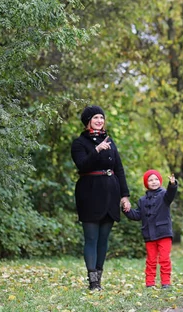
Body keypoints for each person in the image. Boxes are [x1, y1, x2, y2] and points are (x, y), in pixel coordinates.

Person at [71, 105, 131, 291]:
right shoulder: (79, 143)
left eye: (101, 117)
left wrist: (125, 195)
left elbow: (119, 169)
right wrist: (96, 150)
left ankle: (99, 277)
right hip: (89, 193)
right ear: (88, 121)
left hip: (110, 193)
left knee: (103, 239)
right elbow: (82, 165)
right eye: (95, 117)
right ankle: (92, 281)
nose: (99, 120)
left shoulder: (110, 141)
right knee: (91, 238)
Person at [123, 170, 178, 289]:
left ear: (160, 181)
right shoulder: (142, 200)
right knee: (151, 260)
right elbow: (137, 215)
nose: (154, 182)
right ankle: (150, 283)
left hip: (163, 233)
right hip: (149, 234)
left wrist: (172, 185)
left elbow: (171, 194)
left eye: (156, 179)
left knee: (164, 259)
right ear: (146, 183)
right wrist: (126, 210)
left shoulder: (164, 195)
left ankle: (166, 283)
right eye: (150, 180)